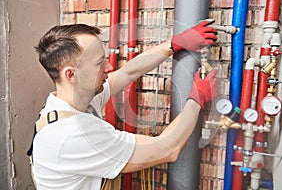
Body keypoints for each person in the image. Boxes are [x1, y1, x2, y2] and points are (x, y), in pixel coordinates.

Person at [31, 19, 218, 189]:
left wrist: (173, 44)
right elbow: (168, 148)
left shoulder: (73, 101)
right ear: (71, 75)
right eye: (99, 64)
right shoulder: (72, 133)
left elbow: (127, 73)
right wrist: (197, 98)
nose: (109, 67)